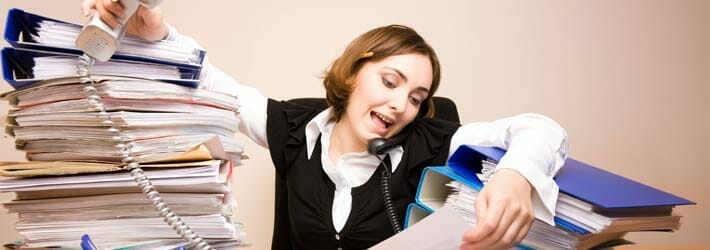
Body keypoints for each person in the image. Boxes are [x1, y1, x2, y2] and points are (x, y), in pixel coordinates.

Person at [82, 1, 569, 249]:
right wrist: (156, 32)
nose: (401, 104)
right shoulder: (295, 127)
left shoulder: (432, 140)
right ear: (356, 70)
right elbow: (212, 85)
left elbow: (541, 129)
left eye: (417, 97)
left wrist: (513, 175)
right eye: (391, 81)